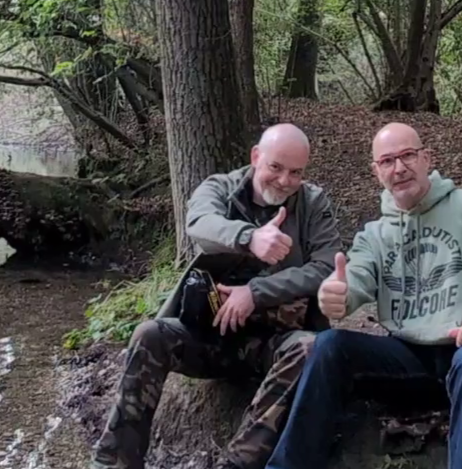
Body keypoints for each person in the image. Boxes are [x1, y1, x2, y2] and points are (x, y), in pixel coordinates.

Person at [265, 122, 462, 469]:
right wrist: (336, 295)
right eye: (387, 161)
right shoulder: (374, 234)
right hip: (410, 363)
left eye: (407, 156)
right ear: (376, 172)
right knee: (330, 345)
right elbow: (354, 281)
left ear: (426, 158)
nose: (399, 168)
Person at [91, 123, 343, 469]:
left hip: (277, 341)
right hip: (210, 335)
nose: (285, 180)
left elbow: (326, 266)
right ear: (256, 157)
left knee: (310, 348)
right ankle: (116, 461)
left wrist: (255, 293)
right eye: (276, 167)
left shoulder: (313, 203)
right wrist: (249, 238)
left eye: (296, 172)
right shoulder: (219, 188)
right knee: (150, 334)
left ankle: (237, 463)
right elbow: (200, 222)